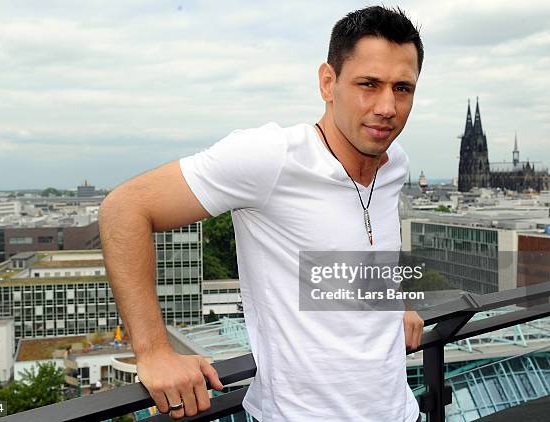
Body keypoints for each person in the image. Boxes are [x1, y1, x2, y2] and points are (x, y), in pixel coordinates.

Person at [99, 5, 425, 421]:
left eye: (403, 88)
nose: (387, 106)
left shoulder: (394, 161)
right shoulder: (270, 157)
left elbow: (360, 239)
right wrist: (154, 351)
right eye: (368, 84)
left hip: (401, 412)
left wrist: (394, 300)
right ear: (328, 82)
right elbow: (124, 208)